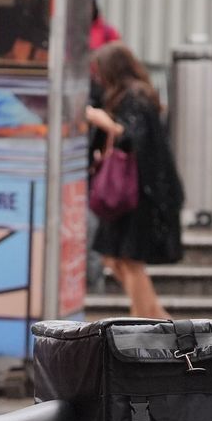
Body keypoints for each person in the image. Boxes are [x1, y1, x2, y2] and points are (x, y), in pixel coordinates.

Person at [85, 42, 183, 319]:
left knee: (130, 261)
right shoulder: (128, 95)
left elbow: (131, 138)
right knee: (114, 258)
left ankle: (145, 322)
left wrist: (103, 121)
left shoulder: (136, 98)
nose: (98, 77)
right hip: (134, 191)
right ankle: (160, 319)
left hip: (140, 193)